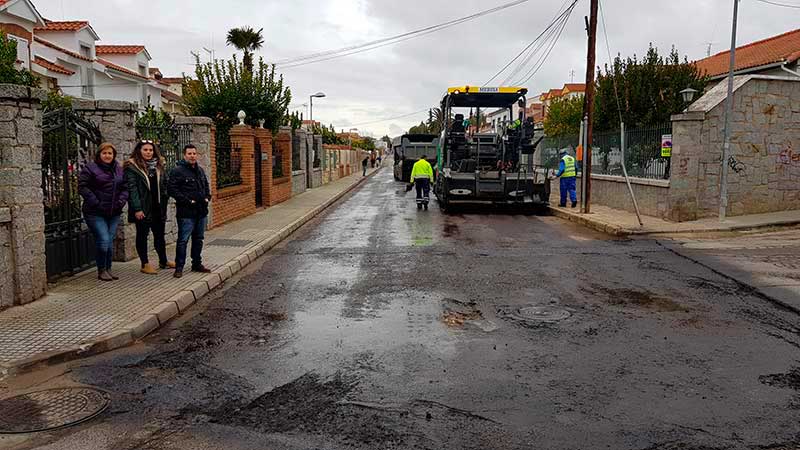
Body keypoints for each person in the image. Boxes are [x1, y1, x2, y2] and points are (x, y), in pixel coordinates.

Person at [78, 142, 128, 281]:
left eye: (110, 153)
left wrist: (121, 201)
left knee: (109, 241)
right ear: (99, 154)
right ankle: (101, 270)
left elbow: (125, 187)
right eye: (104, 153)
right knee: (104, 239)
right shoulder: (90, 168)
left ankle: (108, 268)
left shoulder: (118, 169)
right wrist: (96, 202)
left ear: (114, 155)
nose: (107, 156)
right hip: (95, 212)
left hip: (113, 212)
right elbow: (82, 187)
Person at [124, 140, 174, 275]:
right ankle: (144, 264)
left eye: (151, 150)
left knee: (159, 235)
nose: (148, 152)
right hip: (143, 208)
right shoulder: (132, 167)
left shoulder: (158, 165)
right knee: (142, 235)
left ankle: (163, 261)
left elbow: (165, 184)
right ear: (139, 151)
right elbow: (132, 190)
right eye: (145, 150)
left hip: (158, 207)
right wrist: (137, 208)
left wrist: (166, 195)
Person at [168, 144, 212, 278]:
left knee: (198, 239)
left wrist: (207, 197)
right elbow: (172, 189)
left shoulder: (200, 170)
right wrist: (187, 200)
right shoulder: (178, 171)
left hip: (201, 211)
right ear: (184, 155)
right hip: (186, 212)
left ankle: (196, 263)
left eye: (194, 153)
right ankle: (179, 267)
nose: (192, 156)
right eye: (189, 154)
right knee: (183, 240)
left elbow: (205, 186)